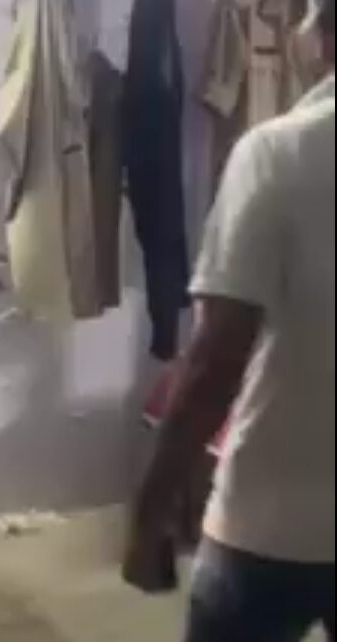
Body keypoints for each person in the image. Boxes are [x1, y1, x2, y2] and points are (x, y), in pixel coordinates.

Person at [123, 0, 335, 640]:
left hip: (274, 526)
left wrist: (151, 509)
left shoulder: (281, 154)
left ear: (325, 38)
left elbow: (216, 361)